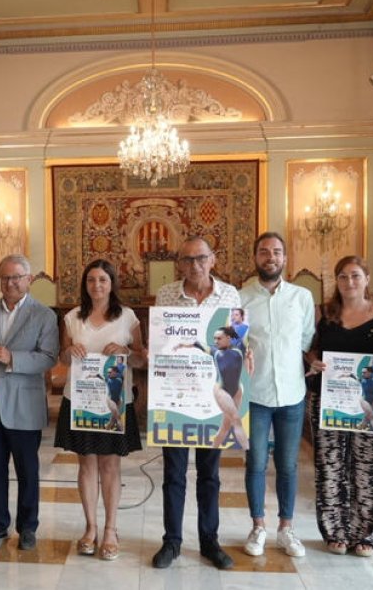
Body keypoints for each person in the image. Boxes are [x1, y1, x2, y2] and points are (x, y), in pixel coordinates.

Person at [151, 236, 242, 571]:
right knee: (173, 474)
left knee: (209, 474)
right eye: (187, 260)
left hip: (213, 400)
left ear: (212, 259)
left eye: (200, 258)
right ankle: (171, 542)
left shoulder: (230, 296)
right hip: (177, 396)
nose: (194, 266)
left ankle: (209, 541)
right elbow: (161, 341)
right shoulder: (167, 295)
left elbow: (235, 345)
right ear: (179, 263)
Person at [304, 255, 373, 556]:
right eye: (343, 276)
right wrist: (312, 361)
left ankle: (365, 534)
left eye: (355, 275)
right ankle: (335, 531)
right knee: (330, 465)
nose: (349, 282)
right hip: (329, 399)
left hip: (370, 402)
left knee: (368, 467)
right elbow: (308, 349)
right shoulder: (322, 313)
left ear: (367, 279)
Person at [54, 259, 144, 561]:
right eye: (91, 280)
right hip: (80, 401)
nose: (97, 286)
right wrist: (69, 352)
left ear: (112, 283)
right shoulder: (71, 318)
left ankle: (110, 529)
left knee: (110, 465)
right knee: (86, 465)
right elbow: (63, 358)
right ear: (85, 284)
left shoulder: (128, 318)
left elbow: (141, 360)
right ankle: (90, 528)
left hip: (114, 403)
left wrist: (126, 352)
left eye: (103, 280)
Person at [0, 254, 59, 551]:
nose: (10, 283)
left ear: (28, 279)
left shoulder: (45, 315)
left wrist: (13, 359)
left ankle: (28, 527)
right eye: (5, 278)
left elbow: (49, 358)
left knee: (27, 472)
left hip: (25, 407)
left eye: (16, 277)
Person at [237, 231, 315, 558]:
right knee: (255, 462)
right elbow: (233, 342)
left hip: (292, 393)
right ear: (255, 257)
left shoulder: (302, 297)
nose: (271, 257)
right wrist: (242, 354)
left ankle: (286, 528)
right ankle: (258, 526)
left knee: (288, 464)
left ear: (285, 258)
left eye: (277, 252)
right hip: (255, 394)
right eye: (265, 252)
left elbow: (307, 339)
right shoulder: (240, 298)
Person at [210, 326, 247, 450]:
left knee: (225, 427)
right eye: (214, 338)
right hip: (221, 390)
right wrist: (183, 344)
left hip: (237, 391)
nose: (216, 341)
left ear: (228, 338)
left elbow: (246, 335)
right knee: (236, 419)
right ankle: (247, 450)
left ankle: (213, 448)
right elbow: (197, 344)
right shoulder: (215, 351)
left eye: (219, 338)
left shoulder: (240, 348)